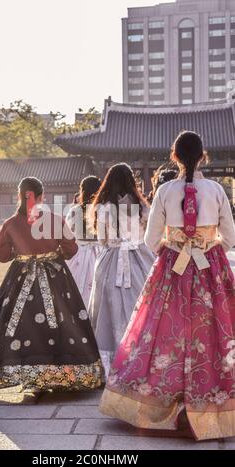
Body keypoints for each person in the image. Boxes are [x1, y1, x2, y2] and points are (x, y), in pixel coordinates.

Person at [100, 131, 235, 441]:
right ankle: (210, 403)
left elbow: (150, 240)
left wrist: (172, 246)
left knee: (161, 331)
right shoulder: (215, 190)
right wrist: (207, 248)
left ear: (174, 156)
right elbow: (230, 236)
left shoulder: (164, 191)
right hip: (208, 269)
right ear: (203, 155)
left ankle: (161, 402)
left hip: (172, 269)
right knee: (212, 332)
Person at [0, 177, 102, 393]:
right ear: (42, 196)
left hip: (21, 276)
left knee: (15, 321)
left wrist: (18, 253)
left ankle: (25, 372)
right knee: (64, 319)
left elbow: (1, 254)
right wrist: (54, 255)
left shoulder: (11, 224)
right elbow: (71, 249)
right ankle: (63, 372)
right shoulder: (55, 219)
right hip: (55, 276)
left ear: (19, 196)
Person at [88, 163, 155, 377]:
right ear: (131, 181)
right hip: (139, 257)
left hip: (111, 259)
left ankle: (109, 361)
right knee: (141, 303)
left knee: (107, 308)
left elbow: (102, 239)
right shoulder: (142, 206)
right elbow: (148, 235)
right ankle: (141, 356)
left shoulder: (103, 207)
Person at [66, 176, 102, 309]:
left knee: (77, 288)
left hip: (79, 253)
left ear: (82, 191)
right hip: (100, 251)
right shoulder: (104, 209)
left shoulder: (75, 210)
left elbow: (68, 233)